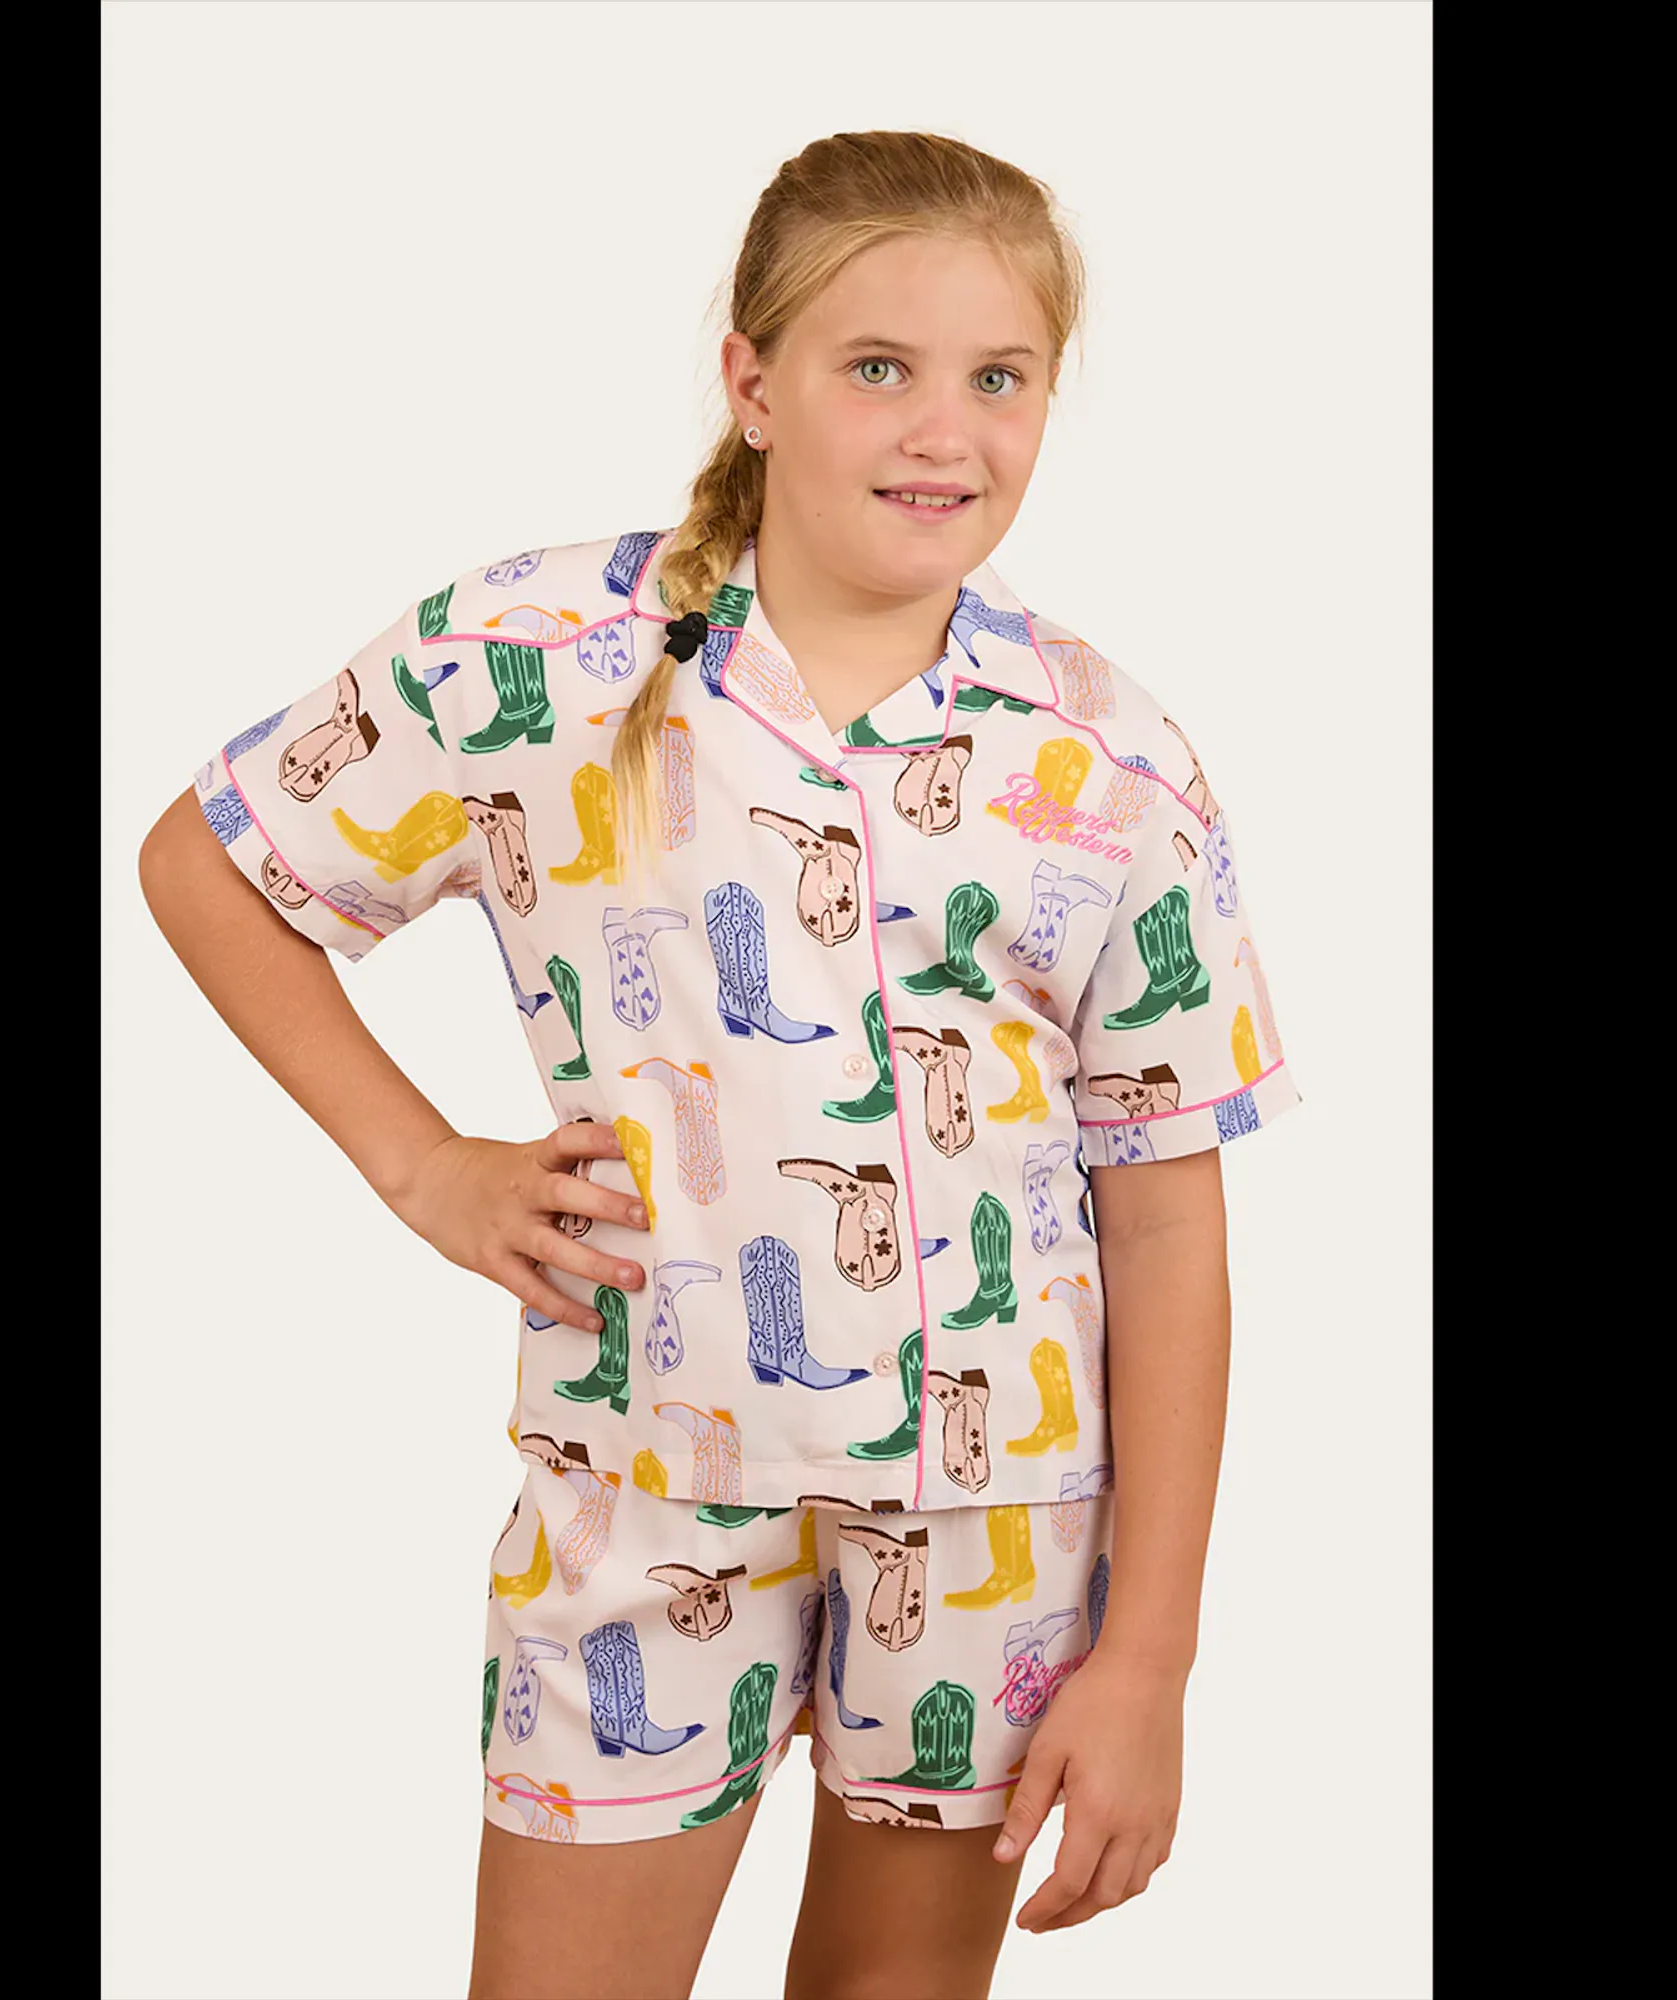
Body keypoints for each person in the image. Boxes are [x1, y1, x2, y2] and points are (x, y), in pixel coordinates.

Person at [139, 129, 1301, 2000]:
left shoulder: (1109, 759)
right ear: (755, 382)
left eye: (1001, 377)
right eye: (878, 367)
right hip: (640, 1486)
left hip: (994, 1532)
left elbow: (1169, 1222)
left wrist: (1151, 1653)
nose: (945, 432)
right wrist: (425, 1165)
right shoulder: (539, 657)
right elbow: (212, 865)